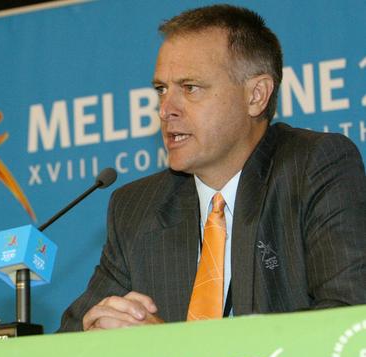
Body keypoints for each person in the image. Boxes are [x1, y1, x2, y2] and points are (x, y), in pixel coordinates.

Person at [59, 4, 366, 332]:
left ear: (256, 96)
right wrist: (92, 339)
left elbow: (349, 323)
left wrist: (164, 351)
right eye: (161, 90)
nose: (166, 110)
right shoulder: (136, 209)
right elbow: (68, 339)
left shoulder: (314, 168)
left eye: (190, 88)